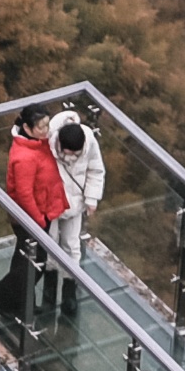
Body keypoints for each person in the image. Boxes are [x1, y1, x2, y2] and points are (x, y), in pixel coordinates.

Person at [0, 107, 72, 332]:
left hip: (39, 213)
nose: (47, 130)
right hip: (31, 218)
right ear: (27, 128)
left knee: (24, 260)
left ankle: (19, 302)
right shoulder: (24, 156)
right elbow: (24, 194)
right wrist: (38, 220)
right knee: (34, 263)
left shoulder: (37, 144)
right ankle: (3, 296)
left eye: (47, 125)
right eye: (42, 127)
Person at [50, 110, 108, 273]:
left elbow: (96, 170)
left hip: (75, 202)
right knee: (49, 241)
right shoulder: (47, 140)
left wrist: (91, 198)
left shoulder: (89, 142)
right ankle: (51, 275)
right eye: (70, 152)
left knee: (71, 243)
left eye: (76, 153)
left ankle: (72, 278)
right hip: (50, 202)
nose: (73, 156)